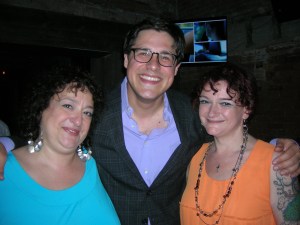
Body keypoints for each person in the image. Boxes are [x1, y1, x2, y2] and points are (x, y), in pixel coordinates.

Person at [0, 18, 300, 225]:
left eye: (165, 56)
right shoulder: (94, 111)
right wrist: (6, 144)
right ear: (126, 60)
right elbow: (52, 138)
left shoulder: (192, 113)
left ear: (176, 68)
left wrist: (280, 147)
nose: (153, 65)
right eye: (143, 53)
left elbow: (229, 133)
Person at [180, 63, 300, 225]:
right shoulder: (194, 156)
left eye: (225, 103)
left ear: (246, 110)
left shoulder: (276, 163)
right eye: (205, 101)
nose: (212, 112)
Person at [0, 65, 120, 225]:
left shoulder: (92, 164)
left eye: (87, 113)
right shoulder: (5, 172)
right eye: (68, 106)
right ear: (41, 108)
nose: (78, 120)